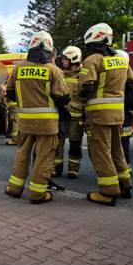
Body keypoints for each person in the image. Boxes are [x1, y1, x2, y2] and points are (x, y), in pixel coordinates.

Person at [4, 32, 69, 204]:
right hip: (47, 124)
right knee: (44, 157)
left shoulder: (18, 68)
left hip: (25, 121)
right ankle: (38, 193)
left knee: (22, 153)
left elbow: (10, 93)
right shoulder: (53, 70)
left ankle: (15, 188)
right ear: (49, 48)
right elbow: (63, 98)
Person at [78, 23, 133, 206]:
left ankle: (108, 192)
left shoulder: (93, 60)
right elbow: (132, 83)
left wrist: (78, 103)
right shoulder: (121, 59)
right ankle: (125, 184)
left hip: (99, 115)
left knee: (101, 152)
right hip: (118, 115)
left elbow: (85, 87)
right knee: (117, 150)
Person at [56, 46, 85, 178]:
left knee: (75, 144)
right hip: (62, 115)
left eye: (65, 59)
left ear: (73, 59)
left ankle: (73, 169)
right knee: (58, 143)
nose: (62, 61)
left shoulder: (83, 75)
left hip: (76, 116)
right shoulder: (60, 74)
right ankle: (56, 167)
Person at [116, 49, 133, 166]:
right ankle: (124, 175)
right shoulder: (127, 85)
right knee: (122, 154)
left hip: (119, 127)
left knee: (119, 154)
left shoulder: (126, 86)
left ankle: (122, 175)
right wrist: (130, 116)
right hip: (124, 127)